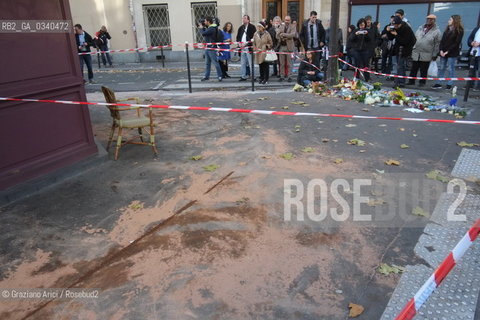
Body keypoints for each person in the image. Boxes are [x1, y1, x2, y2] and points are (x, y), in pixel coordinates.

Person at [408, 14, 442, 87]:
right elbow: (414, 37)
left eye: (431, 19)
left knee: (424, 69)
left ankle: (422, 82)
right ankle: (411, 81)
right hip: (417, 52)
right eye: (428, 19)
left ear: (434, 20)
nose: (429, 20)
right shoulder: (420, 28)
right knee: (414, 68)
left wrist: (435, 54)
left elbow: (437, 44)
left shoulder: (437, 31)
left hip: (427, 53)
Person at [432, 15, 464, 90]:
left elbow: (456, 43)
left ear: (454, 21)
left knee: (450, 68)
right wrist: (441, 50)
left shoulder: (459, 30)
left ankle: (449, 83)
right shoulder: (447, 29)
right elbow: (442, 41)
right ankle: (438, 82)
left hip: (452, 53)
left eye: (450, 19)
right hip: (443, 52)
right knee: (442, 67)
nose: (448, 21)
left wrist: (447, 51)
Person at [387, 15, 416, 88]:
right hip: (397, 49)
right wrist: (389, 31)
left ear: (399, 24)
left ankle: (401, 82)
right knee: (398, 66)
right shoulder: (395, 28)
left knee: (401, 66)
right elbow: (390, 37)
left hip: (405, 50)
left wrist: (396, 34)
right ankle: (398, 81)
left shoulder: (406, 28)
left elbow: (404, 41)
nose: (395, 27)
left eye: (396, 25)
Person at [198, 17, 223, 82]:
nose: (204, 22)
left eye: (205, 21)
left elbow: (203, 33)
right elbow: (206, 32)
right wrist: (202, 27)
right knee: (207, 63)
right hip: (207, 47)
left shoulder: (212, 28)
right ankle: (206, 76)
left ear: (208, 21)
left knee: (215, 63)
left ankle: (220, 76)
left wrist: (201, 28)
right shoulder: (210, 28)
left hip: (211, 48)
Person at [276, 15, 297, 82]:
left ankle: (289, 76)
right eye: (285, 20)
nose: (286, 21)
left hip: (289, 47)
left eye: (288, 20)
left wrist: (283, 35)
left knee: (289, 63)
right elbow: (277, 35)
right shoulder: (281, 26)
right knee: (281, 63)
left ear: (290, 20)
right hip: (282, 47)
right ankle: (282, 76)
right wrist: (281, 36)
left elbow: (292, 35)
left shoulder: (293, 26)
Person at [236, 15, 256, 81]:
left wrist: (246, 43)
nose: (243, 19)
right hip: (242, 48)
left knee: (250, 63)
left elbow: (253, 38)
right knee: (243, 63)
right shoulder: (241, 28)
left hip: (249, 47)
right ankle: (243, 76)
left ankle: (253, 76)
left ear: (248, 20)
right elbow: (238, 37)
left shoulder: (252, 27)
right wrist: (239, 43)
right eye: (243, 18)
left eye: (245, 18)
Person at [467, 22, 480, 91]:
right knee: (472, 69)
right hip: (473, 52)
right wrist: (471, 42)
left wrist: (479, 44)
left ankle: (478, 86)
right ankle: (470, 84)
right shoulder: (476, 29)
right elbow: (470, 38)